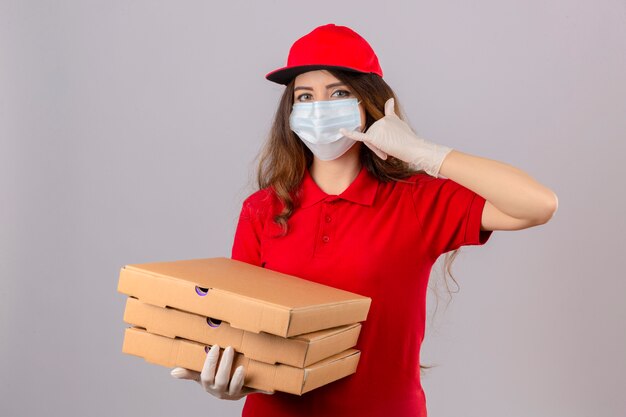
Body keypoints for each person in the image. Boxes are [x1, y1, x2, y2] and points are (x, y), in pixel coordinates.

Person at [170, 23, 559, 417]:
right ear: (291, 111)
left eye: (338, 93)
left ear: (368, 103)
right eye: (305, 96)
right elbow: (241, 328)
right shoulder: (262, 209)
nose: (319, 108)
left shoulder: (417, 201)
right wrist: (229, 380)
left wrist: (424, 152)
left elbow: (537, 204)